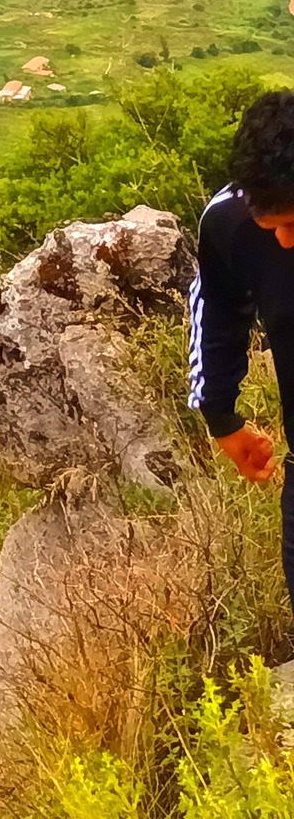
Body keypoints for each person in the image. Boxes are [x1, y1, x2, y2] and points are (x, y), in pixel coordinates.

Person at [192, 90, 294, 600]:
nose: (283, 243)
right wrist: (221, 416)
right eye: (271, 227)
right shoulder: (231, 222)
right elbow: (218, 310)